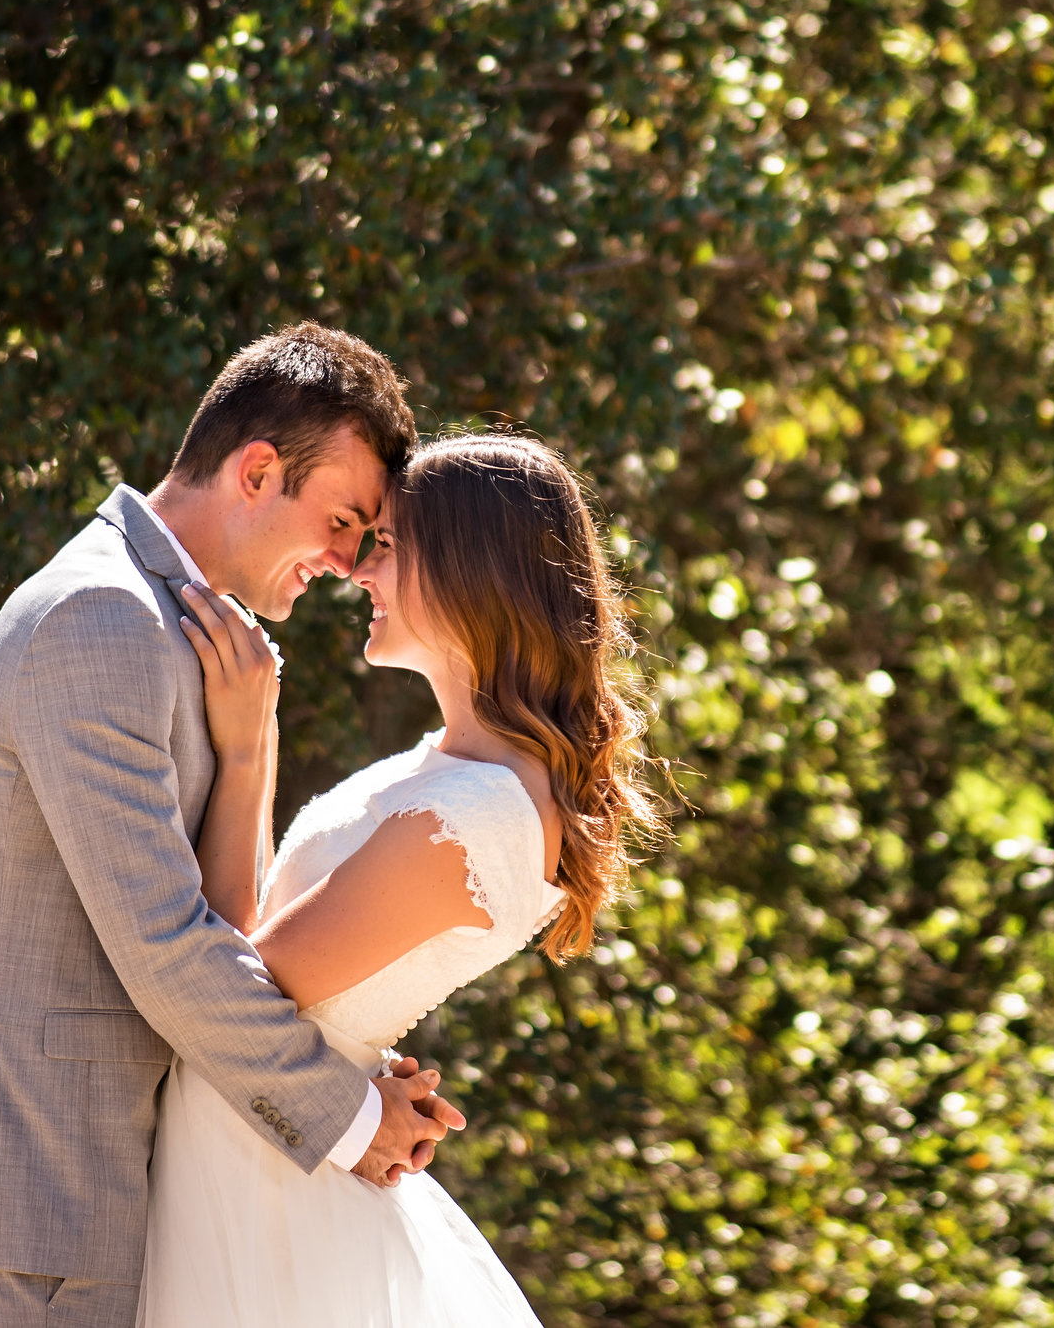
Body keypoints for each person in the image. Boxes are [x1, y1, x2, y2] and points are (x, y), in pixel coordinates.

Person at [0, 324, 460, 1327]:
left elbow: (225, 930)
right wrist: (350, 1113)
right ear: (255, 471)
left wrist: (250, 749)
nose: (345, 560)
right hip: (39, 1213)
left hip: (111, 1205)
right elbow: (165, 945)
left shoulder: (189, 632)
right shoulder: (100, 619)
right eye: (342, 519)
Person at [137, 431, 662, 1325]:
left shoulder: (475, 815)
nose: (358, 572)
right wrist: (248, 746)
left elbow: (234, 987)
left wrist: (248, 745)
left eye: (386, 547)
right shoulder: (450, 768)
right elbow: (255, 944)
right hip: (257, 1145)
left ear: (466, 572)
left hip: (268, 1178)